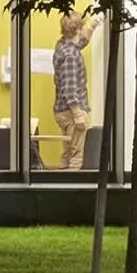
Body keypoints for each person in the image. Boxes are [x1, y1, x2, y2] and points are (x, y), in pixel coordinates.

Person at [52, 13, 93, 170]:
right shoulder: (71, 56)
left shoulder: (61, 46)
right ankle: (72, 188)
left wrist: (94, 24)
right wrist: (78, 114)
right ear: (77, 30)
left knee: (68, 153)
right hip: (71, 111)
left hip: (62, 111)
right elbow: (70, 88)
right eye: (83, 27)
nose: (85, 30)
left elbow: (81, 42)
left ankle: (61, 186)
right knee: (76, 156)